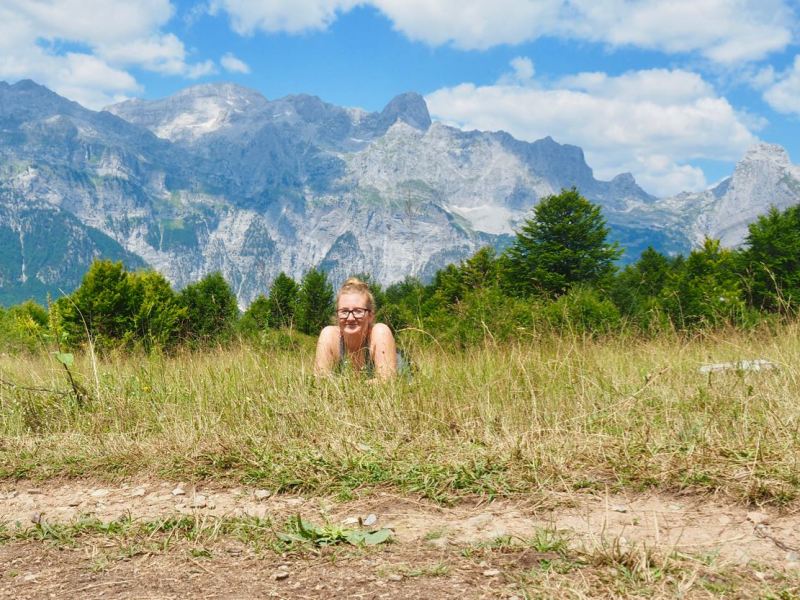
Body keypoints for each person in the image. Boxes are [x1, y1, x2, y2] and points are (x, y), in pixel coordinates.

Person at [314, 277, 398, 380]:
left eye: (358, 311)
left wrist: (346, 387)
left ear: (370, 315)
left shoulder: (380, 332)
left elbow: (387, 381)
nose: (350, 318)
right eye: (344, 311)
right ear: (337, 315)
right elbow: (319, 382)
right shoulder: (329, 335)